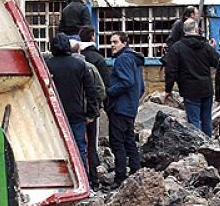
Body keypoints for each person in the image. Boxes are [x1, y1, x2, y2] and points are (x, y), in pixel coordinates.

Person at [45, 33, 99, 178]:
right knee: (80, 148)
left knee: (57, 149)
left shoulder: (47, 65)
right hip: (76, 113)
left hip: (54, 114)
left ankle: (60, 181)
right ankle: (85, 181)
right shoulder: (79, 64)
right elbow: (90, 90)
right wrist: (91, 113)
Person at [164, 18, 219, 137]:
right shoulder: (206, 46)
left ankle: (198, 147)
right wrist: (212, 50)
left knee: (193, 121)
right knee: (206, 119)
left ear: (184, 31)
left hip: (189, 89)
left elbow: (171, 71)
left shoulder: (177, 47)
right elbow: (217, 62)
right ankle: (209, 146)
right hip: (206, 88)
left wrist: (168, 89)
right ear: (197, 29)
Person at [105, 31, 145, 188]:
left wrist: (110, 92)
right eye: (111, 42)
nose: (112, 45)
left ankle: (120, 177)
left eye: (115, 42)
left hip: (119, 107)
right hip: (130, 107)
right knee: (129, 141)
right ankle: (136, 173)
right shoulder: (134, 60)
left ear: (124, 43)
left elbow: (126, 81)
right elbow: (140, 87)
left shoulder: (122, 59)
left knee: (117, 143)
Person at [71, 39, 106, 187]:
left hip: (73, 113)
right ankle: (92, 180)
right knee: (91, 145)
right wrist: (94, 108)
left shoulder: (66, 67)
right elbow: (100, 91)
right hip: (89, 113)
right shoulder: (90, 67)